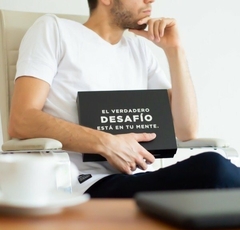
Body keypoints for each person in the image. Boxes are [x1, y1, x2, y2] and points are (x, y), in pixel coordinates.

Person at [8, 0, 240, 198]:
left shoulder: (138, 49)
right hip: (83, 185)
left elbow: (186, 130)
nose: (150, 0)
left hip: (134, 180)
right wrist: (107, 143)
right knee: (214, 168)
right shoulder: (55, 30)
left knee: (219, 169)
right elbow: (21, 119)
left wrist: (175, 51)